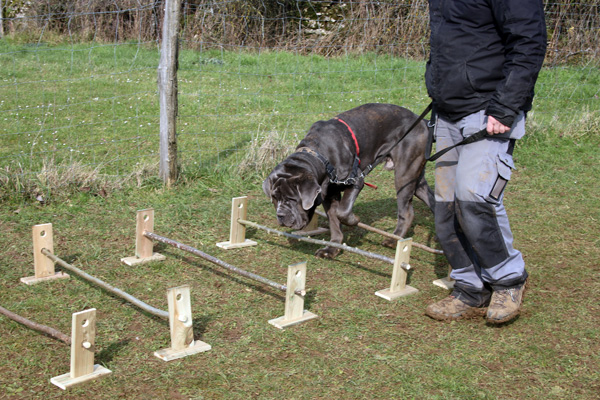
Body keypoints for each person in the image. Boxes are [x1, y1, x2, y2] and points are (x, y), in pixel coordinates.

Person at [424, 0, 547, 323]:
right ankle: (469, 285)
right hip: (449, 111)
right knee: (445, 206)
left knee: (475, 198)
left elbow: (529, 43)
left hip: (490, 109)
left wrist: (506, 106)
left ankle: (508, 279)